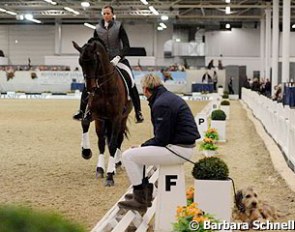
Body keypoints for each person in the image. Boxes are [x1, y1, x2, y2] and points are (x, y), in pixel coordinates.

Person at [118, 74, 200, 211]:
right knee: (137, 154)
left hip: (178, 149)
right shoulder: (166, 98)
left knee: (128, 156)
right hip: (181, 146)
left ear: (145, 89)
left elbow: (161, 139)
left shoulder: (161, 104)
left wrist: (141, 146)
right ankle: (145, 193)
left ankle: (140, 200)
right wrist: (142, 147)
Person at [73, 5, 144, 123]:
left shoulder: (119, 27)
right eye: (104, 14)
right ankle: (82, 110)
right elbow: (93, 44)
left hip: (119, 59)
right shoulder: (97, 28)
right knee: (89, 80)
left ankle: (138, 111)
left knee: (130, 80)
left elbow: (126, 46)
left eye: (108, 13)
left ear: (112, 14)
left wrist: (118, 57)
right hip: (102, 61)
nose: (106, 16)